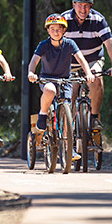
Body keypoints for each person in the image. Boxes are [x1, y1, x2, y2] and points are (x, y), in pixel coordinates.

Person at [27, 14, 95, 148]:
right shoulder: (44, 45)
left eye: (59, 29)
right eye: (52, 29)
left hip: (65, 80)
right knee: (50, 90)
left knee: (68, 110)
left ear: (64, 30)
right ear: (48, 30)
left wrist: (88, 73)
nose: (56, 32)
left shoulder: (70, 44)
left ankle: (69, 147)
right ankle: (43, 114)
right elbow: (34, 61)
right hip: (48, 79)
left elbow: (81, 59)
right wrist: (31, 72)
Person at [62, 0, 112, 131]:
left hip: (93, 60)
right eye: (80, 5)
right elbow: (56, 43)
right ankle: (69, 133)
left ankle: (94, 117)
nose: (83, 9)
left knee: (96, 80)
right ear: (73, 4)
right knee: (72, 93)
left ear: (91, 6)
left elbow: (110, 44)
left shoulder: (98, 20)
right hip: (71, 63)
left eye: (87, 5)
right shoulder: (64, 20)